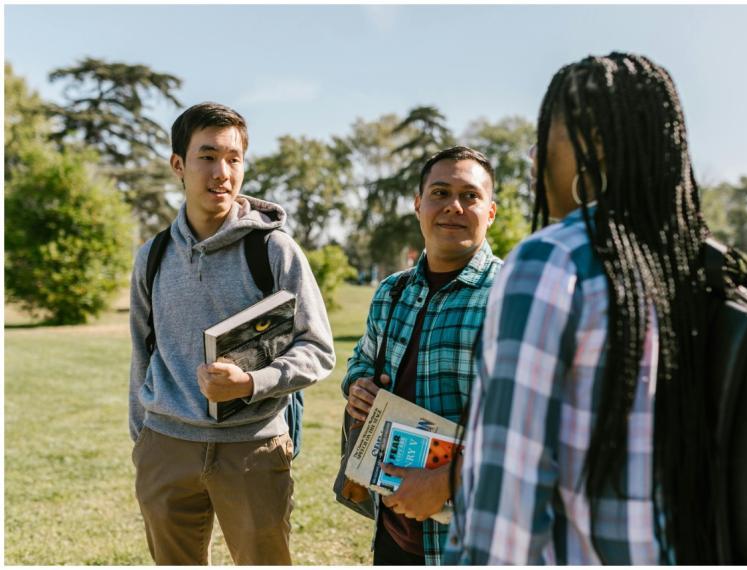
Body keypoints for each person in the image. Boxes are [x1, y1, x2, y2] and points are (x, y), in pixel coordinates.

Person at [447, 53, 716, 564]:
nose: (533, 158)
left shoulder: (552, 261)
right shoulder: (694, 264)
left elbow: (508, 500)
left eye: (544, 135)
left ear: (592, 145)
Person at [128, 102, 335, 565]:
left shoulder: (273, 249)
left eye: (233, 158)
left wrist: (253, 383)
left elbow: (319, 349)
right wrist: (143, 438)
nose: (222, 171)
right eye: (207, 156)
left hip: (253, 448)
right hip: (166, 448)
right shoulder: (153, 256)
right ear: (178, 165)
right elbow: (143, 353)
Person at [342, 146, 502, 565]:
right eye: (440, 192)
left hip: (472, 534)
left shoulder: (510, 296)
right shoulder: (393, 291)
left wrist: (447, 481)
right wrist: (357, 384)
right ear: (418, 206)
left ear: (490, 213)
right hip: (396, 526)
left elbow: (526, 422)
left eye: (470, 196)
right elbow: (361, 359)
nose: (453, 206)